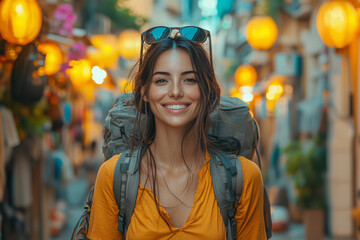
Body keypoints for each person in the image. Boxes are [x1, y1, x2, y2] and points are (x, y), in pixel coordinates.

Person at [87, 26, 266, 239]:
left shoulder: (243, 178)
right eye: (161, 80)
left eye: (189, 79)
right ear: (144, 91)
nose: (175, 91)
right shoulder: (113, 177)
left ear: (207, 90)